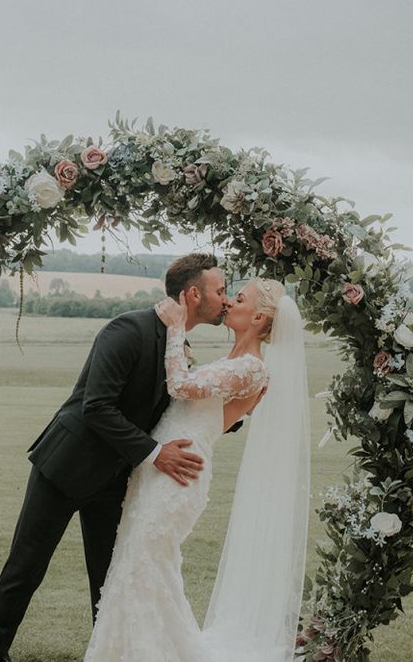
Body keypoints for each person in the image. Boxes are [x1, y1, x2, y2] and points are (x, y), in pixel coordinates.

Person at [0, 253, 239, 662]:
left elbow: (183, 403)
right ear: (193, 294)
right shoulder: (129, 329)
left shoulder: (177, 344)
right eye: (220, 290)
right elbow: (97, 407)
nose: (226, 299)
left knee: (109, 579)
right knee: (25, 568)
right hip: (67, 466)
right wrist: (155, 454)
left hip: (115, 479)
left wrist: (244, 399)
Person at [84, 277, 311, 662]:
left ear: (257, 317)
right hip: (159, 465)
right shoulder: (235, 364)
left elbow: (182, 387)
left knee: (144, 562)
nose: (229, 303)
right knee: (137, 563)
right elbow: (207, 413)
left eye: (238, 299)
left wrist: (175, 328)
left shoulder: (252, 368)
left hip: (179, 473)